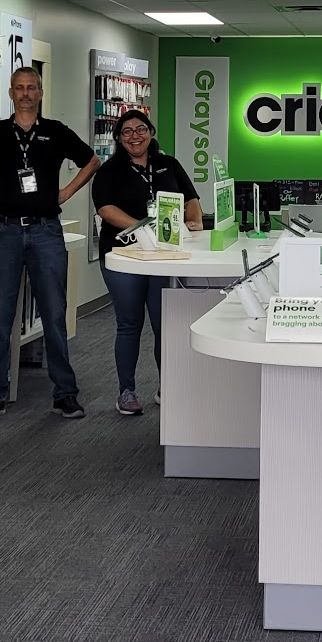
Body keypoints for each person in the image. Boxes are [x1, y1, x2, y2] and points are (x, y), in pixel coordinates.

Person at [0, 66, 98, 422]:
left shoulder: (56, 132)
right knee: (0, 317)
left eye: (32, 87)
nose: (26, 93)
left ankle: (65, 393)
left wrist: (65, 192)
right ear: (11, 93)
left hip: (46, 231)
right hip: (5, 232)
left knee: (54, 314)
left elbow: (91, 161)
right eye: (19, 88)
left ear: (40, 92)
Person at [91, 109, 200, 415]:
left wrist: (193, 222)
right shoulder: (110, 171)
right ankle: (126, 392)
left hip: (164, 258)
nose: (135, 136)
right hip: (124, 256)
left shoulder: (168, 164)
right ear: (119, 138)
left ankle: (168, 385)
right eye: (127, 131)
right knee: (129, 324)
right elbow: (105, 209)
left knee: (164, 325)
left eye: (140, 129)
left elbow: (191, 199)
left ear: (151, 132)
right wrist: (144, 228)